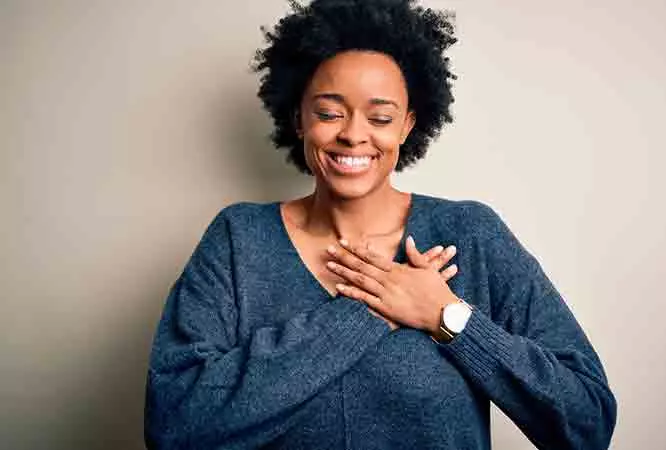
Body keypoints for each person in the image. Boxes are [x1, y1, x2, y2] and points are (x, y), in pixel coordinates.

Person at [144, 0, 617, 448]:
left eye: (381, 116)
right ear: (298, 118)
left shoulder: (468, 234)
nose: (353, 133)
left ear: (408, 125)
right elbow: (174, 424)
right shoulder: (239, 240)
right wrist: (366, 312)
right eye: (329, 113)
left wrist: (447, 316)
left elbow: (587, 420)